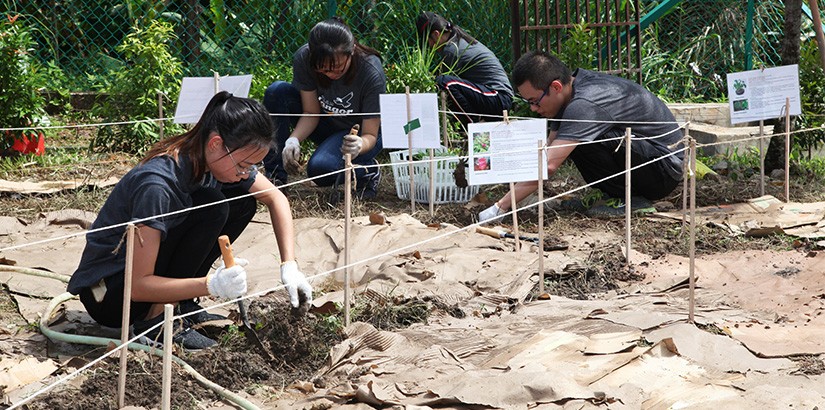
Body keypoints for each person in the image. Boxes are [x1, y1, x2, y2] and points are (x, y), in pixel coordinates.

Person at [67, 92, 313, 351]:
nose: (246, 172)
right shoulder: (157, 186)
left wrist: (289, 265)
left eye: (251, 165)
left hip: (139, 283)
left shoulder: (206, 158)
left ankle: (180, 304)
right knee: (212, 206)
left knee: (239, 200)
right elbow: (137, 286)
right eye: (242, 164)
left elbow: (276, 198)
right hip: (113, 295)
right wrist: (211, 285)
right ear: (216, 144)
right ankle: (156, 323)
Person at [478, 51, 684, 222]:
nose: (533, 108)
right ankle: (612, 194)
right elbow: (549, 151)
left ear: (556, 86)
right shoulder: (572, 91)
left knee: (585, 138)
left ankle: (631, 200)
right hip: (647, 158)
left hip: (663, 170)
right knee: (570, 139)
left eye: (535, 101)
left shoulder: (584, 105)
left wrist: (499, 208)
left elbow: (548, 166)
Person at [262, 17, 385, 200]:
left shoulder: (370, 71)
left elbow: (371, 135)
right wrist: (293, 140)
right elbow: (311, 112)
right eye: (323, 70)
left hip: (359, 133)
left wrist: (360, 145)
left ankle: (367, 171)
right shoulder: (304, 58)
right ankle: (276, 181)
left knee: (320, 169)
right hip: (325, 122)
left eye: (338, 68)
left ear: (351, 51)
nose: (332, 74)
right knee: (277, 91)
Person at [415, 11, 513, 125]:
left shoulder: (452, 50)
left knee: (444, 83)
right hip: (493, 96)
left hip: (498, 97)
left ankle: (473, 127)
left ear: (437, 34)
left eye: (429, 42)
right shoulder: (457, 37)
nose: (430, 46)